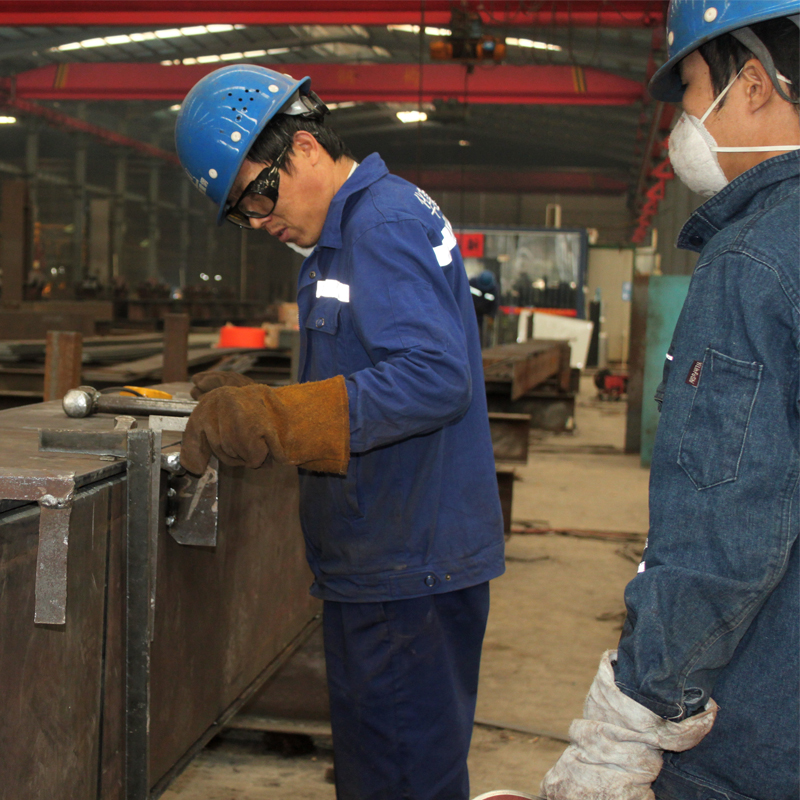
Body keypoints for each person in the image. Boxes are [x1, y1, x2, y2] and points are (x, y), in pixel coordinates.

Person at [174, 65, 505, 800]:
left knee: (401, 781)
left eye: (257, 195)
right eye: (241, 213)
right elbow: (366, 371)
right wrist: (266, 399)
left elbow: (435, 376)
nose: (258, 221)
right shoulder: (346, 234)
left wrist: (281, 418)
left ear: (305, 146)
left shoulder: (378, 226)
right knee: (381, 775)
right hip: (386, 557)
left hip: (406, 565)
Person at [535, 2, 800, 799]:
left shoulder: (755, 259)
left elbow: (724, 529)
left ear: (751, 84)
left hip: (762, 733)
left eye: (688, 87)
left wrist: (633, 718)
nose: (682, 119)